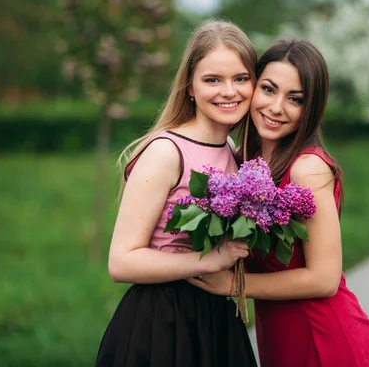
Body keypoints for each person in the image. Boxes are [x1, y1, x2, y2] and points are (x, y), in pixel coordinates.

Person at [187, 38, 369, 367]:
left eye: (295, 99)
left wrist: (232, 285)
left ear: (311, 109)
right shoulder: (245, 162)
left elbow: (325, 279)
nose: (276, 107)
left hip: (326, 341)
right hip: (281, 341)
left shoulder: (306, 168)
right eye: (268, 89)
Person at [94, 20, 259, 367]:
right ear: (190, 87)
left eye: (240, 78)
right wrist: (212, 261)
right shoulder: (167, 152)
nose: (229, 91)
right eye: (212, 79)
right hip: (163, 322)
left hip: (215, 318)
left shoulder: (231, 148)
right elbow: (121, 261)